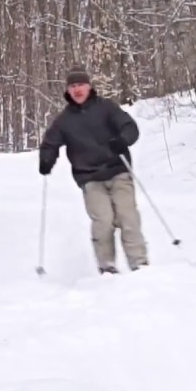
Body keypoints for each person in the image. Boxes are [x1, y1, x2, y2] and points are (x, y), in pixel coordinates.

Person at [38, 67, 148, 274]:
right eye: (73, 86)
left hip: (118, 171)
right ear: (68, 91)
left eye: (80, 85)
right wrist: (46, 159)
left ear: (89, 87)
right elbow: (50, 144)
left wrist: (123, 140)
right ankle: (107, 266)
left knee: (127, 216)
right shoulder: (64, 121)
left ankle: (139, 263)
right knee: (103, 220)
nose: (77, 89)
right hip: (90, 177)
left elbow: (129, 126)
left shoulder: (106, 108)